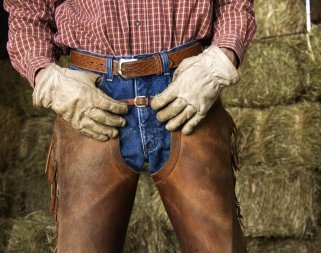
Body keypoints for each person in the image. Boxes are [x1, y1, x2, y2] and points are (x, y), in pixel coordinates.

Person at [5, 0, 256, 252]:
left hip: (187, 86)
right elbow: (27, 13)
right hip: (93, 96)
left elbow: (234, 3)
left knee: (219, 246)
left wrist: (221, 59)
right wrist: (46, 77)